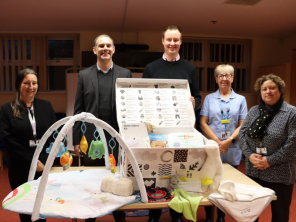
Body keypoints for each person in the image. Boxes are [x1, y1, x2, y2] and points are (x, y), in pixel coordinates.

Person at [142, 25, 201, 222]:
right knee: (157, 171)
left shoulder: (189, 68)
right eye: (169, 40)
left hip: (181, 132)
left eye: (176, 40)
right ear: (162, 41)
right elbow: (144, 97)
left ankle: (176, 213)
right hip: (156, 132)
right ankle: (154, 213)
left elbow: (198, 97)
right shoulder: (151, 68)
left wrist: (194, 102)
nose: (172, 43)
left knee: (179, 170)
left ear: (180, 42)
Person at [73, 34, 131, 222]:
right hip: (91, 140)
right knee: (92, 180)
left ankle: (119, 216)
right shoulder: (84, 75)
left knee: (118, 179)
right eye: (101, 46)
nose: (105, 48)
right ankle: (91, 216)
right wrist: (75, 141)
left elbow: (129, 109)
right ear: (95, 50)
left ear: (113, 49)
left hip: (117, 139)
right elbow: (78, 110)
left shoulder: (125, 74)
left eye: (108, 45)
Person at [0, 69, 57, 222]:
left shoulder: (46, 106)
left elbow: (54, 135)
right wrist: (32, 161)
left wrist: (43, 161)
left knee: (41, 207)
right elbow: (8, 140)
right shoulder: (7, 109)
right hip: (20, 167)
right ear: (19, 85)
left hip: (42, 167)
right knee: (25, 209)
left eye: (34, 83)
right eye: (26, 83)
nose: (30, 86)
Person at [239, 74, 296, 222]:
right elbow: (242, 135)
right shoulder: (254, 111)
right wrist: (249, 155)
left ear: (280, 90)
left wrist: (269, 160)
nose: (268, 92)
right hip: (254, 170)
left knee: (280, 215)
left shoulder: (291, 113)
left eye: (272, 88)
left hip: (280, 173)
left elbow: (292, 144)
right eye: (264, 89)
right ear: (260, 92)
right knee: (251, 213)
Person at [200, 64, 248, 222]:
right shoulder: (209, 98)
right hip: (213, 147)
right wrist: (217, 142)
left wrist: (228, 141)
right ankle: (209, 215)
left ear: (233, 78)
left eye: (228, 75)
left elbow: (242, 125)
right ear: (216, 79)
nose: (224, 79)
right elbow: (203, 123)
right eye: (221, 76)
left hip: (232, 147)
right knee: (210, 181)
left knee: (227, 182)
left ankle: (221, 216)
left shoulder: (240, 100)